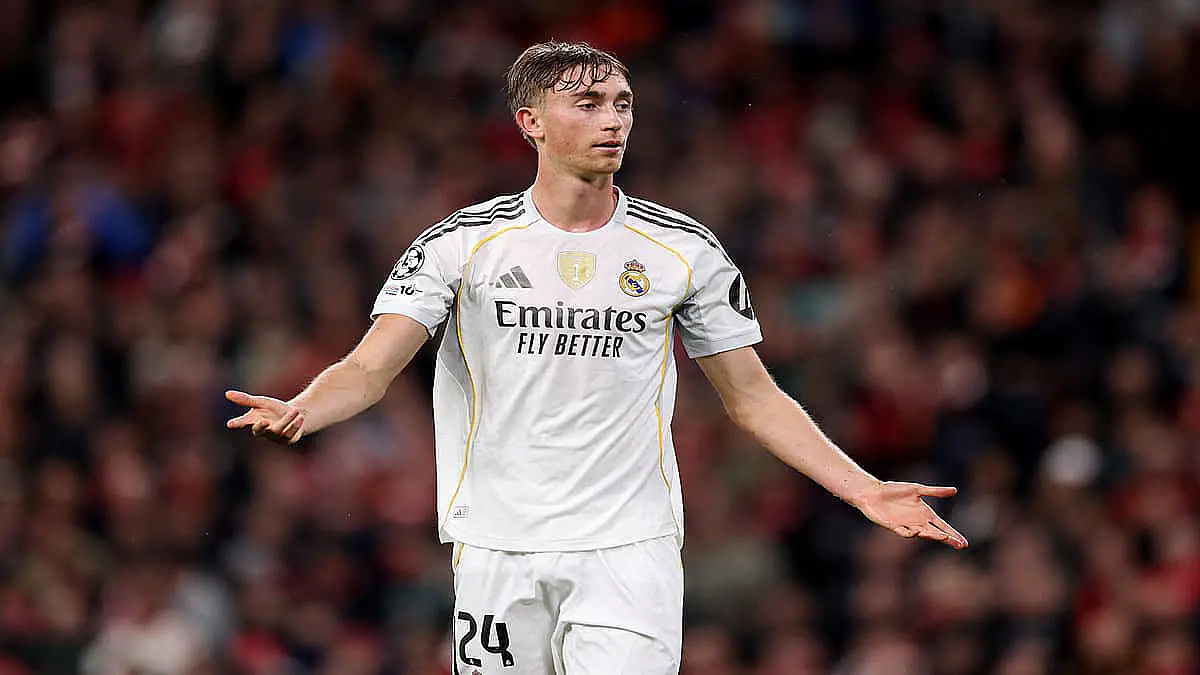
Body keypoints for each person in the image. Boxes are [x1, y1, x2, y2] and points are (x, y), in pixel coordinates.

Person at [226, 41, 968, 674]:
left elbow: (753, 397)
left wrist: (863, 489)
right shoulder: (461, 245)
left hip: (629, 546)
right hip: (497, 542)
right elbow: (368, 368)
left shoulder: (684, 251)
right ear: (531, 122)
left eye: (622, 104)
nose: (612, 119)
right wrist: (304, 408)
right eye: (587, 104)